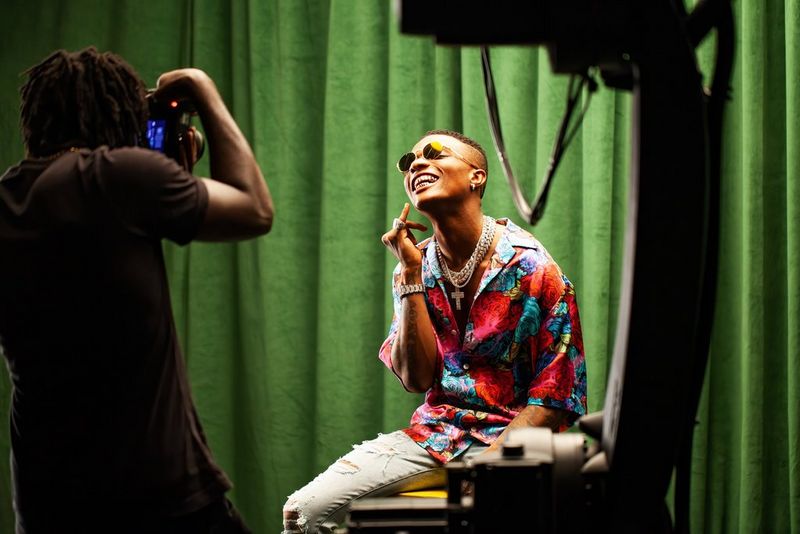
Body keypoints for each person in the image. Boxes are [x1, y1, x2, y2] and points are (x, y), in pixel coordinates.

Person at [0, 47, 273, 533]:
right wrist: (201, 87)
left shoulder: (10, 198)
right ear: (121, 117)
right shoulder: (114, 175)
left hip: (46, 504)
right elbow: (255, 210)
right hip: (157, 497)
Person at [282, 130, 586, 533]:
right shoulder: (413, 265)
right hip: (436, 436)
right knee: (303, 514)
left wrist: (488, 472)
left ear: (477, 176)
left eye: (434, 153)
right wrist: (409, 275)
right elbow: (416, 377)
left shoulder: (533, 268)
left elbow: (555, 398)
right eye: (410, 161)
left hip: (513, 441)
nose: (417, 164)